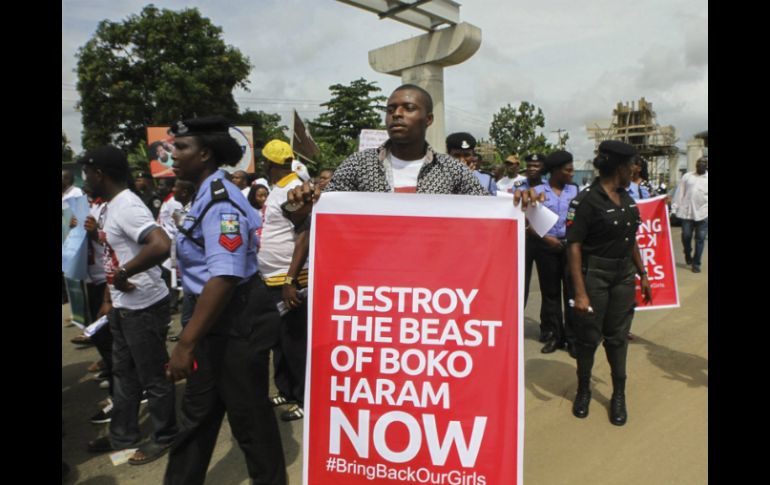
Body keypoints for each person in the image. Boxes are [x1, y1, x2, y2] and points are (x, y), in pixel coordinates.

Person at [163, 116, 286, 485]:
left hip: (234, 319)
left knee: (250, 421)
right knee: (197, 416)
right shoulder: (204, 195)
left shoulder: (221, 202)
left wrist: (186, 343)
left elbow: (225, 275)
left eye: (181, 147)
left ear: (205, 154)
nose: (173, 155)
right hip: (213, 318)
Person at [79, 146, 178, 463]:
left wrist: (124, 273)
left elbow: (161, 243)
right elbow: (114, 253)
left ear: (99, 174)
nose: (85, 178)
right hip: (124, 305)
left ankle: (165, 435)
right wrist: (110, 297)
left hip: (145, 305)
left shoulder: (127, 206)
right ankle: (123, 434)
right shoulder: (109, 206)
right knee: (123, 372)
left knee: (152, 375)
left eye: (87, 172)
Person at [566, 140, 653, 426]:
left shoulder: (627, 199)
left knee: (617, 339)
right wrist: (580, 293)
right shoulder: (586, 201)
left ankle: (618, 395)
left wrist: (643, 274)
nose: (635, 169)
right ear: (619, 166)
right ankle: (583, 390)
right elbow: (574, 246)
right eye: (632, 165)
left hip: (623, 277)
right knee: (589, 338)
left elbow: (630, 242)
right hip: (596, 277)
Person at [259, 139, 311, 422]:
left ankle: (304, 397)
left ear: (270, 164)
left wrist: (291, 280)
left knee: (295, 342)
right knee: (279, 339)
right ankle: (287, 389)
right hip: (272, 276)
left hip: (289, 278)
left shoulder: (294, 191)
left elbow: (304, 235)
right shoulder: (279, 190)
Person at [533, 151, 579, 354]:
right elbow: (529, 221)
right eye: (568, 170)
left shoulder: (575, 190)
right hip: (547, 247)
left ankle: (572, 338)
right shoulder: (537, 191)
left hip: (569, 247)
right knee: (550, 294)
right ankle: (555, 337)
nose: (572, 173)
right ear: (556, 171)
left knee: (571, 293)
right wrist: (546, 238)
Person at [671, 156, 708, 273]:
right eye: (698, 163)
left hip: (703, 213)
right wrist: (674, 208)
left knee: (700, 239)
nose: (699, 165)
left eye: (702, 163)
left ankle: (696, 263)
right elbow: (680, 192)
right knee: (686, 236)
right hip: (687, 213)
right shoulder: (687, 176)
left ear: (706, 166)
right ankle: (687, 253)